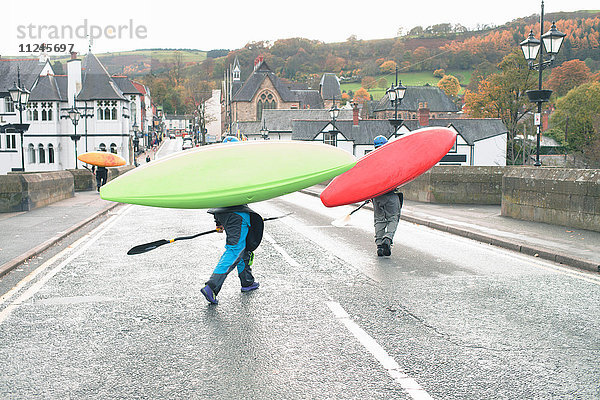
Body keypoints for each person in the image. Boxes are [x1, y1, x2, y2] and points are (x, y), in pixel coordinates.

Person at [200, 204, 264, 305]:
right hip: (237, 214)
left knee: (243, 247)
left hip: (223, 212)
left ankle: (247, 282)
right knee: (235, 250)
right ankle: (211, 286)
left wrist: (218, 221)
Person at [372, 135, 403, 257]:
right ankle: (388, 238)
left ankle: (379, 246)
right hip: (391, 194)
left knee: (379, 220)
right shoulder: (392, 159)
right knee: (393, 217)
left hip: (376, 195)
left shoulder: (371, 160)